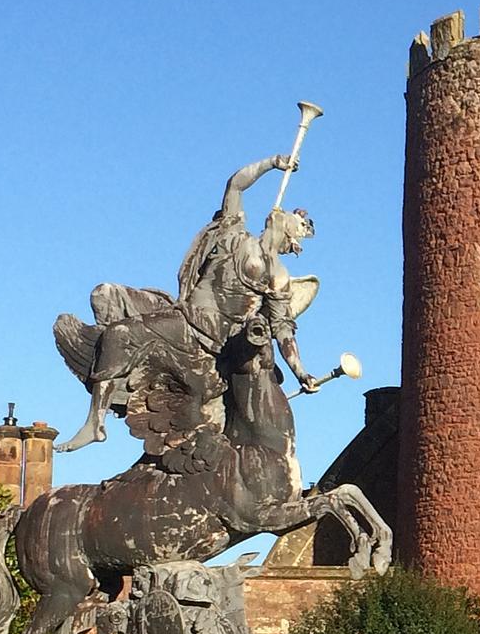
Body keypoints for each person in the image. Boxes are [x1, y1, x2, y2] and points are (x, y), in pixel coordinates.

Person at [55, 155, 321, 456]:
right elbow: (235, 186)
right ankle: (123, 380)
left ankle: (96, 423)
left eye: (296, 220)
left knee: (120, 334)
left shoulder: (278, 275)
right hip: (182, 312)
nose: (285, 213)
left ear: (290, 235)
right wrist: (273, 163)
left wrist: (302, 373)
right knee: (104, 294)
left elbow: (283, 331)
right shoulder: (235, 234)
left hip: (206, 333)